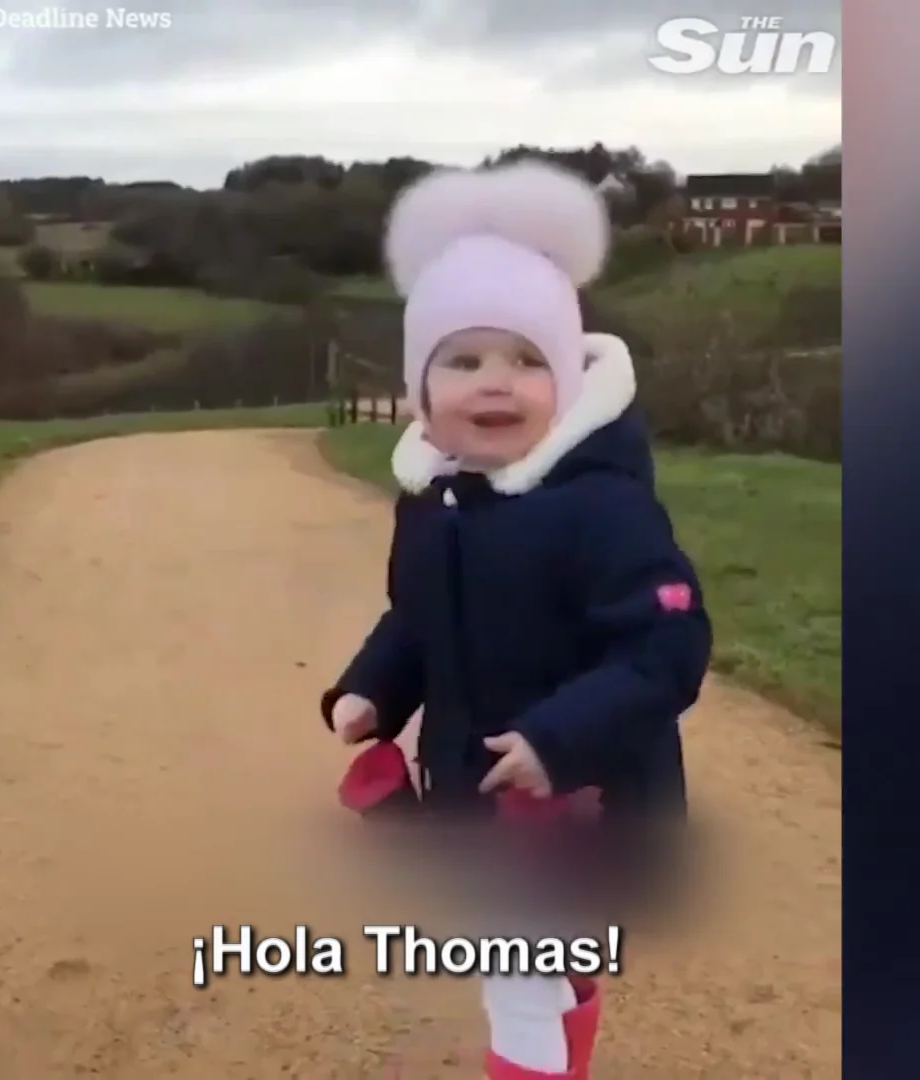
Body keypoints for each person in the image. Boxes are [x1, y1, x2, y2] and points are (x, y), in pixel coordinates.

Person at [320, 160, 714, 1080]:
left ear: (568, 380)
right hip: (480, 795)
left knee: (517, 976)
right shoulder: (436, 502)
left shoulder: (604, 509)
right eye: (463, 360)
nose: (494, 383)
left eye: (527, 358)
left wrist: (556, 740)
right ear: (422, 391)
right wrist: (372, 691)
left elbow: (669, 646)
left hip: (584, 798)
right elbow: (415, 619)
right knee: (546, 969)